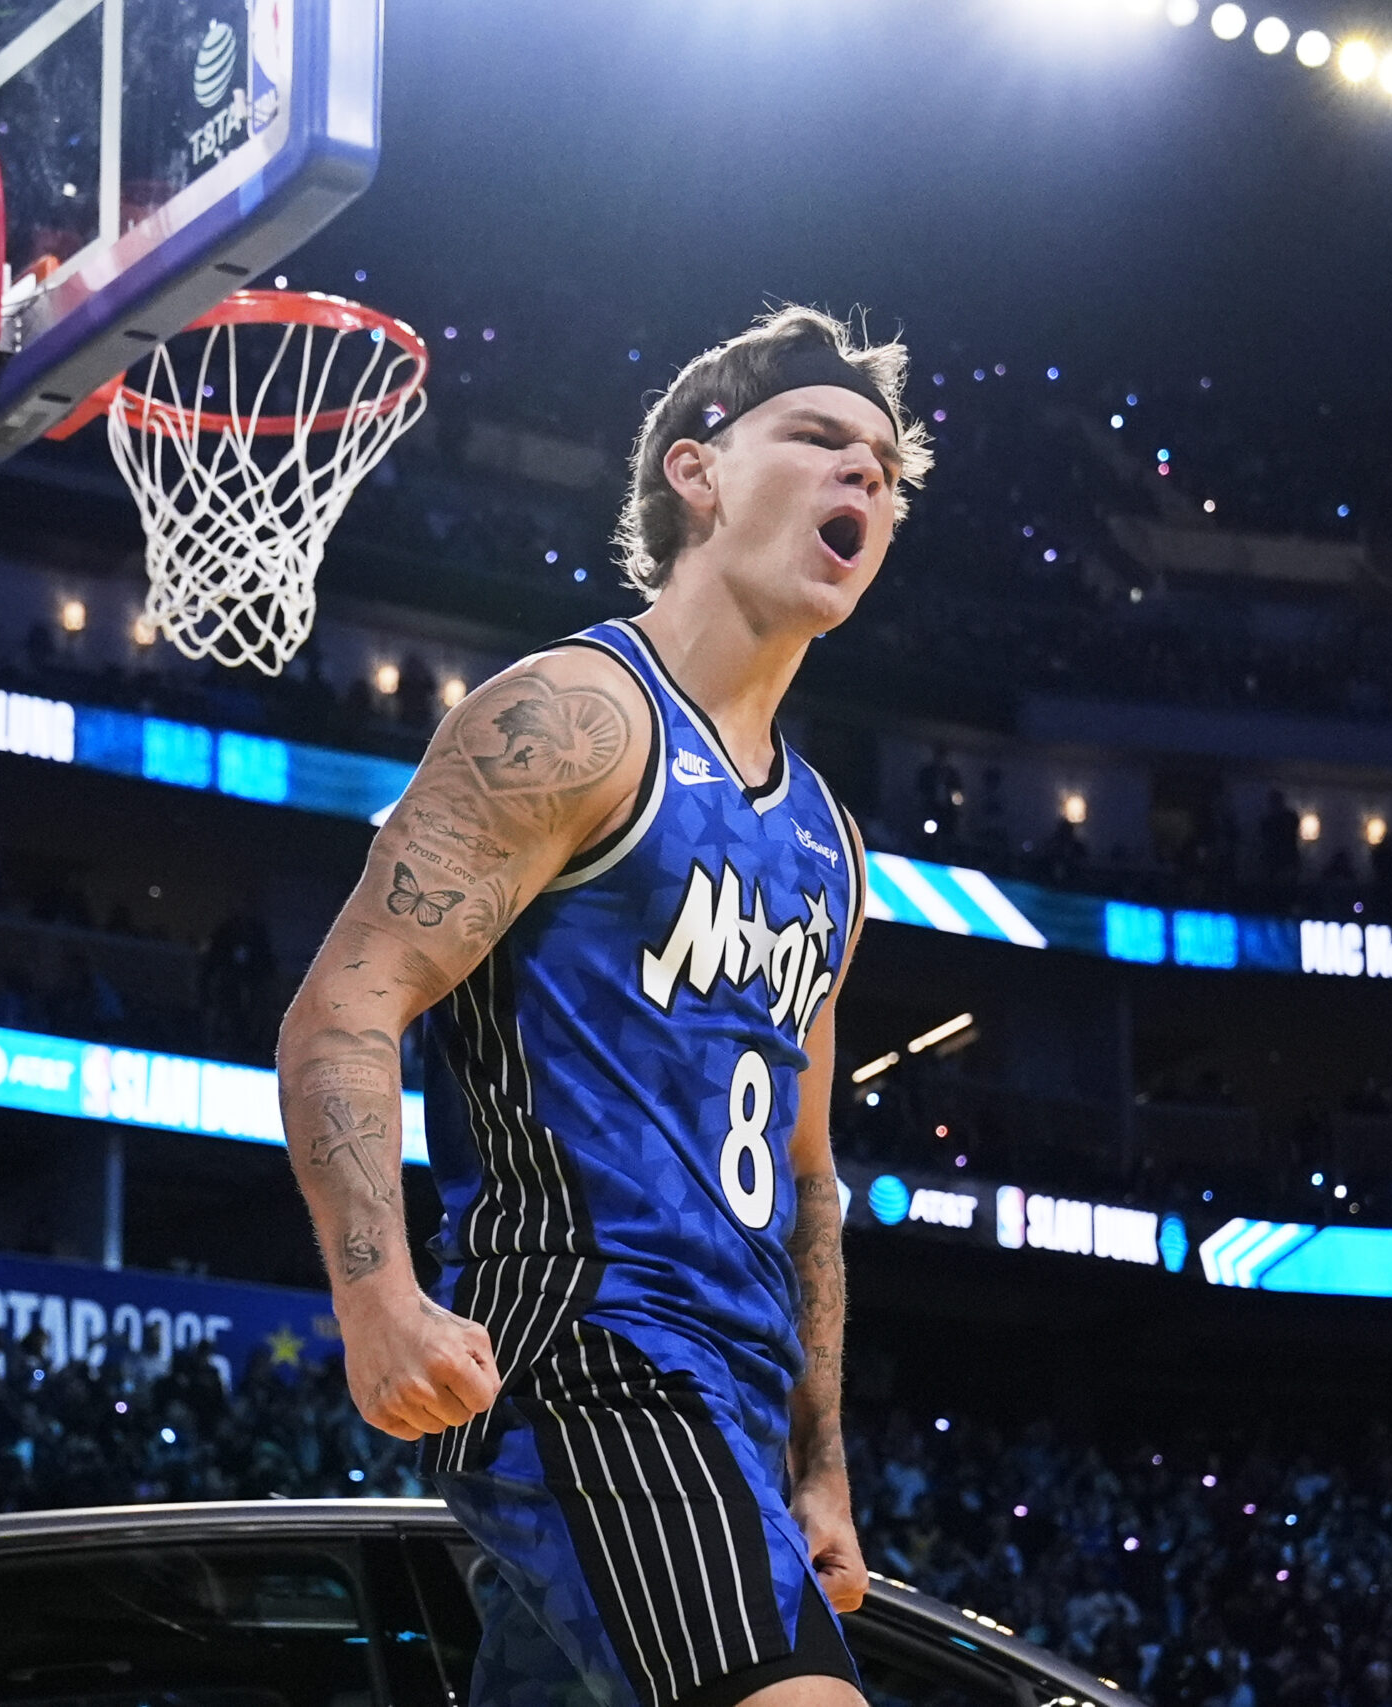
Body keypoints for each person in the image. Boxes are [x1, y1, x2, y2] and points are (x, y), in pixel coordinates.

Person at [280, 305, 927, 1707]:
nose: (861, 480)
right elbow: (342, 1007)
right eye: (819, 440)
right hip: (590, 1356)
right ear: (697, 473)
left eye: (883, 468)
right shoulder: (577, 717)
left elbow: (807, 1180)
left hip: (734, 1410)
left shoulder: (830, 843)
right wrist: (376, 1296)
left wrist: (819, 1461)